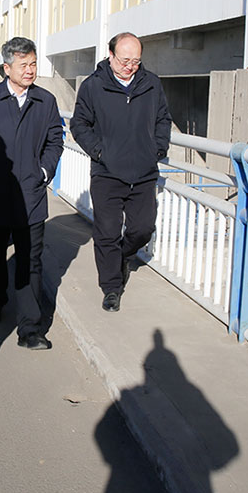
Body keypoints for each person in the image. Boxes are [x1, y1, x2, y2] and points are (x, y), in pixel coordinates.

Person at [0, 37, 62, 349]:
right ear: (7, 68)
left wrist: (44, 171)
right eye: (23, 65)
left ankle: (30, 329)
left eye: (33, 63)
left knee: (30, 262)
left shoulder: (45, 101)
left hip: (30, 196)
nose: (30, 70)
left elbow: (55, 140)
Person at [70, 32, 171, 312]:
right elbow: (79, 124)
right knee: (107, 233)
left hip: (143, 172)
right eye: (125, 60)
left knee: (143, 229)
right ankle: (111, 287)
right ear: (111, 55)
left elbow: (163, 119)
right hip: (107, 172)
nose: (130, 66)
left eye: (136, 61)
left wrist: (157, 149)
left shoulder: (151, 84)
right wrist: (100, 152)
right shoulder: (93, 86)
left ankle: (123, 256)